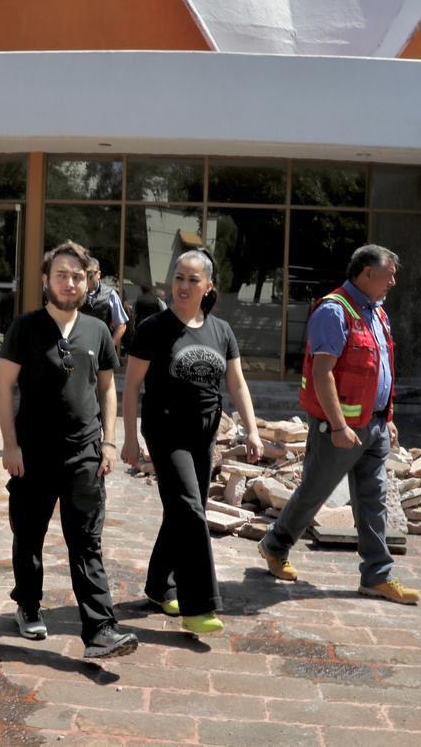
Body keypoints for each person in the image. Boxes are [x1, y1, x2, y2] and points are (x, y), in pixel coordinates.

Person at [0, 241, 138, 659]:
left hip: (84, 455)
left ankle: (100, 630)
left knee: (87, 541)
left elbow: (108, 388)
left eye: (77, 276)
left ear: (87, 282)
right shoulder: (24, 328)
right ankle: (28, 603)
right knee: (29, 535)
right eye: (61, 274)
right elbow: (4, 387)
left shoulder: (96, 329)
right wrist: (10, 445)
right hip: (32, 455)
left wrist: (109, 442)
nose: (69, 282)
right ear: (46, 280)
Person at [257, 245, 420, 605]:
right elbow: (322, 372)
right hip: (340, 429)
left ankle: (377, 576)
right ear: (366, 273)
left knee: (373, 501)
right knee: (314, 492)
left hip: (374, 427)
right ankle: (274, 545)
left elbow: (381, 370)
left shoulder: (377, 313)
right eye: (389, 273)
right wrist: (337, 425)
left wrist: (388, 418)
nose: (394, 280)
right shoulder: (334, 311)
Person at [122, 249, 263, 635]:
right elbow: (132, 387)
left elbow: (236, 383)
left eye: (192, 279)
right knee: (189, 510)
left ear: (208, 286)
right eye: (179, 278)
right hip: (166, 430)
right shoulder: (153, 328)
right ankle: (198, 604)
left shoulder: (221, 331)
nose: (183, 286)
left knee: (187, 508)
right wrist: (130, 439)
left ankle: (157, 586)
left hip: (205, 433)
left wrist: (251, 430)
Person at [82, 258, 129, 351]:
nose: (86, 278)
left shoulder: (110, 294)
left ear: (98, 274)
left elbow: (121, 324)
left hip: (100, 350)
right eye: (84, 274)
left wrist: (110, 346)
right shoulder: (74, 292)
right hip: (77, 349)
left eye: (90, 274)